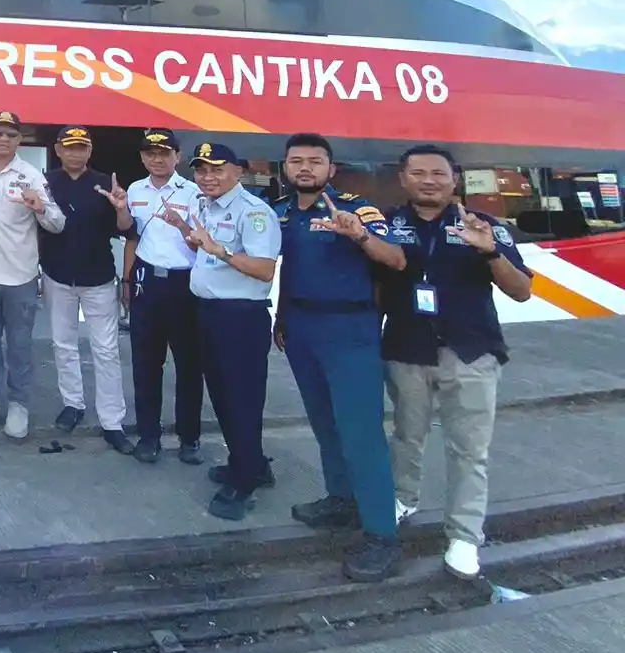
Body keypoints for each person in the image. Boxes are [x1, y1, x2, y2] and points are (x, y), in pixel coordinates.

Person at [380, 145, 533, 581]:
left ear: (455, 179)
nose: (429, 181)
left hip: (470, 352)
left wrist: (489, 252)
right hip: (406, 349)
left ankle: (464, 536)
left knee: (469, 450)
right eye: (418, 173)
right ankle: (403, 498)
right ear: (403, 179)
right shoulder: (386, 224)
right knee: (406, 436)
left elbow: (521, 291)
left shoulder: (484, 225)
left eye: (439, 173)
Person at [274, 133, 408, 583]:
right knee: (325, 424)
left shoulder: (358, 209)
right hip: (301, 328)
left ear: (331, 170)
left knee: (361, 434)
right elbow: (289, 269)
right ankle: (342, 499)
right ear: (285, 167)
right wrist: (282, 318)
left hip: (350, 330)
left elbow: (396, 259)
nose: (305, 168)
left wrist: (361, 237)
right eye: (296, 161)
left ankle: (383, 535)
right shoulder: (281, 211)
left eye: (315, 161)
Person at [166, 142, 280, 521]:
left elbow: (264, 269)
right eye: (202, 170)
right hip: (208, 312)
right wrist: (184, 229)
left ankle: (244, 483)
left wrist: (220, 251)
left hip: (240, 318)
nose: (208, 177)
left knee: (241, 400)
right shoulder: (206, 206)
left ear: (238, 172)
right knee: (222, 396)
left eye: (217, 169)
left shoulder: (254, 212)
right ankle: (250, 463)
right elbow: (204, 247)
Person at [0, 111, 65, 439]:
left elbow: (57, 223)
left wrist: (40, 207)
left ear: (19, 139)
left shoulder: (31, 176)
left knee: (19, 345)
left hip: (19, 276)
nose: (3, 139)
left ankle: (19, 403)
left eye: (10, 134)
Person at [40, 126, 135, 453]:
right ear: (58, 149)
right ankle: (73, 404)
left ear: (90, 151)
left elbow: (126, 229)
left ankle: (112, 420)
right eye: (69, 147)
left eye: (82, 147)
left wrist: (120, 207)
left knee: (106, 350)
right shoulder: (46, 182)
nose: (75, 153)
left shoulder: (105, 183)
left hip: (98, 277)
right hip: (57, 275)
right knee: (63, 344)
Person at [122, 129, 205, 466]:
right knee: (145, 364)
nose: (157, 159)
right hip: (146, 281)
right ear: (143, 157)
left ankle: (190, 437)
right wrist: (127, 280)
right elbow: (131, 237)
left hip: (185, 282)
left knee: (189, 365)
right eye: (150, 153)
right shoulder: (134, 190)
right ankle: (149, 436)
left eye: (164, 153)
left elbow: (203, 241)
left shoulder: (195, 192)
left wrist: (183, 225)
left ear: (177, 156)